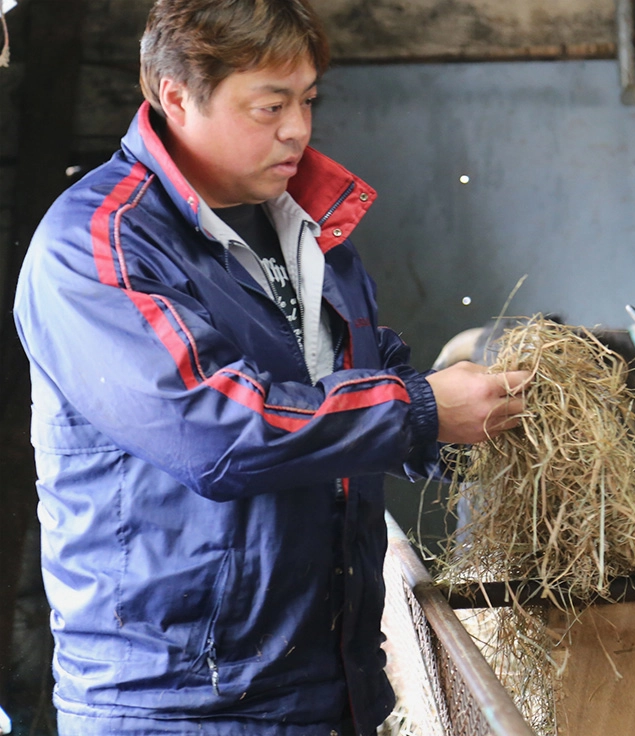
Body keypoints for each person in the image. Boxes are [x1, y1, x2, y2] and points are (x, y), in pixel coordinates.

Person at [12, 1, 530, 734]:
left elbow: (353, 390)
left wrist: (469, 428)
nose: (298, 128)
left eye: (308, 100)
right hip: (181, 704)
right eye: (270, 105)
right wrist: (420, 410)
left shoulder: (311, 231)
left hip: (330, 685)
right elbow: (217, 432)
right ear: (176, 97)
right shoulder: (100, 245)